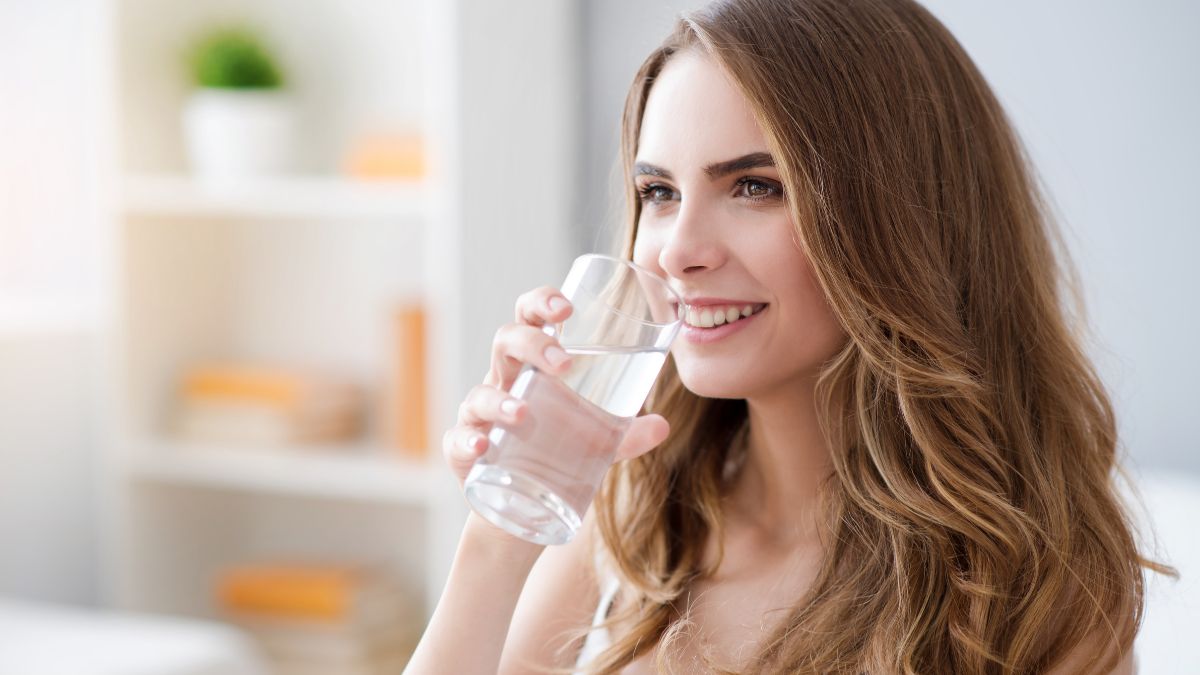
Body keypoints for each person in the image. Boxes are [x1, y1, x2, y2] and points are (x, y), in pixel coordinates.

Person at [404, 0, 1167, 672]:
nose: (676, 249)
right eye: (659, 192)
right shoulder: (630, 518)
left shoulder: (1036, 593)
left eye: (756, 187)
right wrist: (503, 526)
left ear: (901, 222)